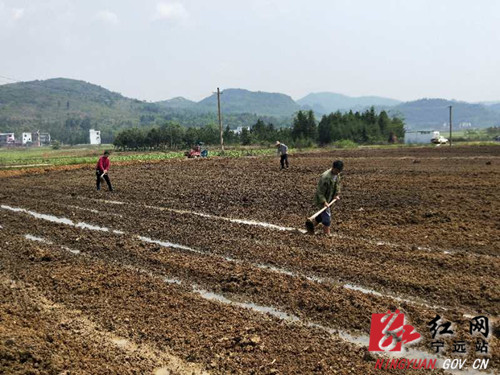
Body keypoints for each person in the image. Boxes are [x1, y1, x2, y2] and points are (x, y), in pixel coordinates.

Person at [314, 160, 343, 236]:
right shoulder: (325, 177)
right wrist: (324, 202)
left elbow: (337, 184)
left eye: (339, 171)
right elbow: (319, 192)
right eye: (337, 170)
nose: (338, 172)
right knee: (327, 217)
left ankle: (310, 226)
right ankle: (327, 234)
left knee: (321, 216)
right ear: (333, 168)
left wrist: (336, 194)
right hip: (322, 199)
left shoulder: (337, 174)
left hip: (330, 198)